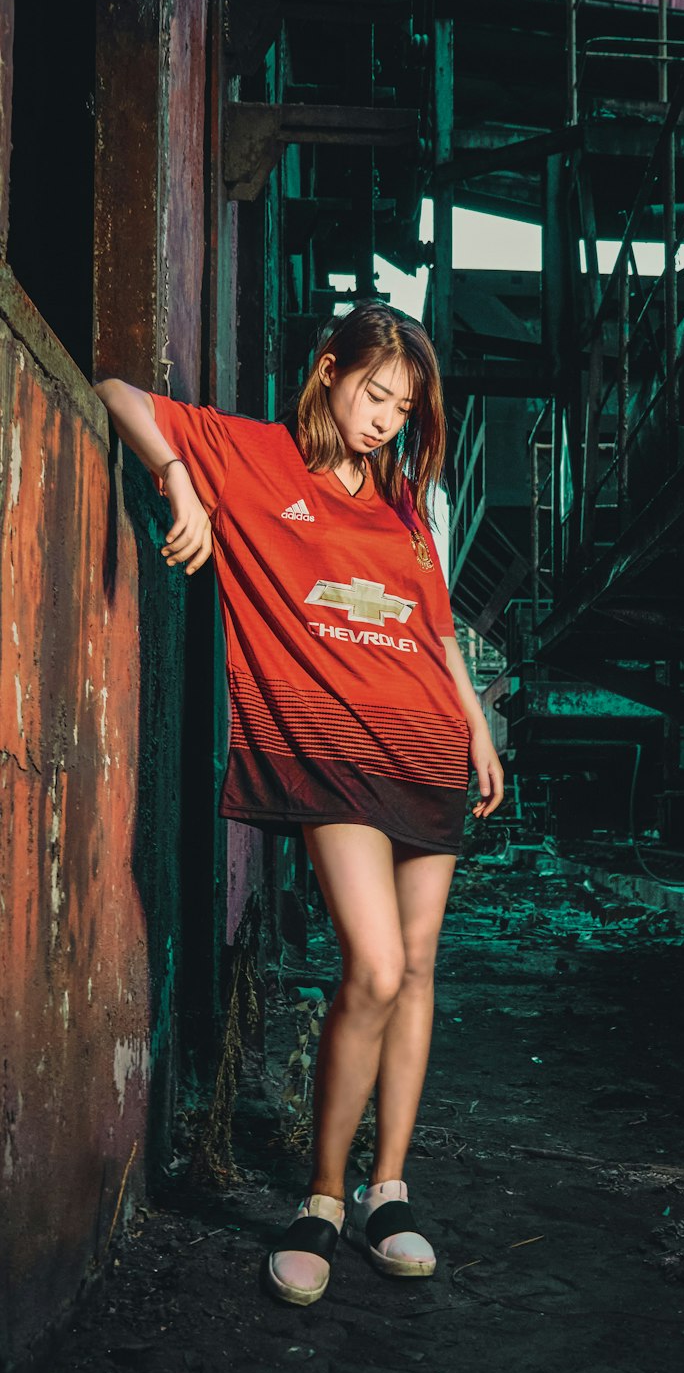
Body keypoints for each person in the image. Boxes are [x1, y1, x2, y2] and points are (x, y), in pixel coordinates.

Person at [94, 301, 504, 1305]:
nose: (384, 420)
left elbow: (434, 626)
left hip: (427, 745)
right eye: (374, 395)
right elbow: (117, 392)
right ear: (328, 372)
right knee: (369, 964)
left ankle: (388, 1191)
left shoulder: (405, 499)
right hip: (331, 755)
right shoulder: (258, 458)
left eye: (402, 408)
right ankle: (321, 1200)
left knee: (414, 970)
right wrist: (182, 485)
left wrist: (479, 727)